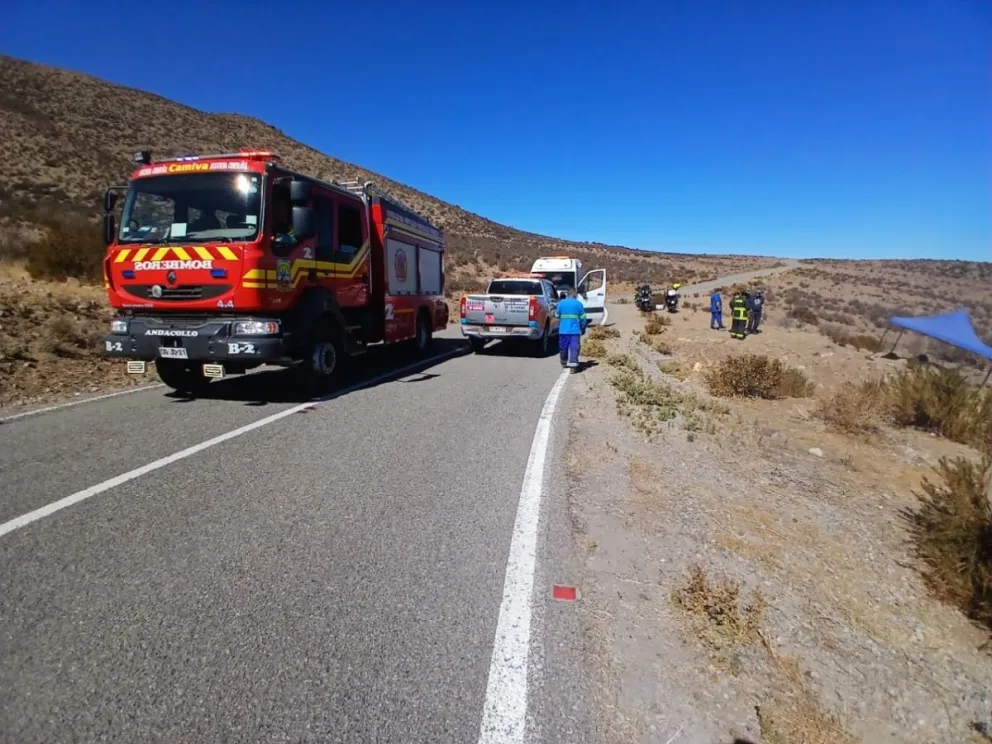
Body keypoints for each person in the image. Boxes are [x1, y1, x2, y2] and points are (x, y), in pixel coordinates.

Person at [555, 287, 588, 371]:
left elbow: (557, 315)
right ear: (574, 294)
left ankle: (563, 361)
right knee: (574, 347)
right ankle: (573, 366)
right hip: (575, 331)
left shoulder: (561, 304)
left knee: (563, 347)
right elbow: (583, 319)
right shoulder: (578, 304)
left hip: (563, 330)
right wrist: (583, 329)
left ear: (567, 294)